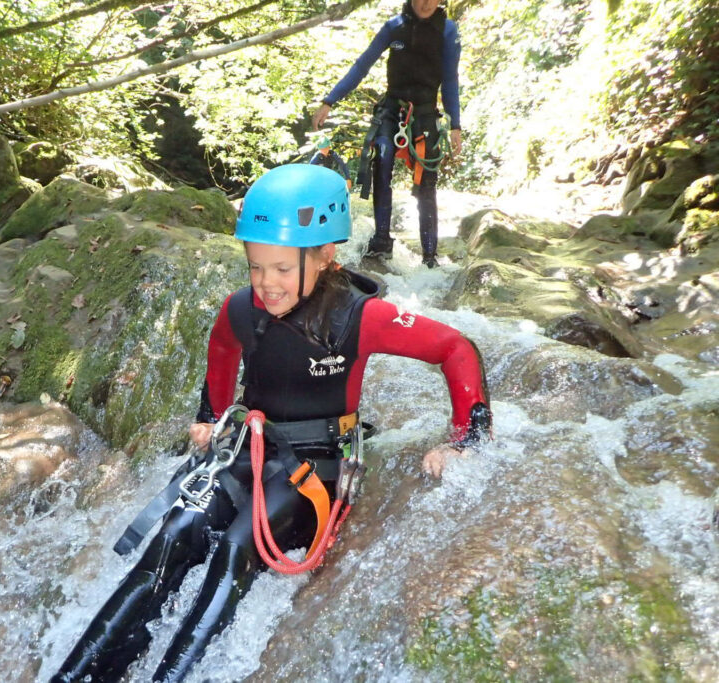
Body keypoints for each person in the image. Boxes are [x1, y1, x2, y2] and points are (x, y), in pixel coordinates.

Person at [51, 164, 491, 683]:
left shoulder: (360, 317)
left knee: (238, 547)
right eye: (257, 267)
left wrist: (467, 438)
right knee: (173, 533)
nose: (267, 283)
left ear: (326, 256)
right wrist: (210, 415)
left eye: (282, 268)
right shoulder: (241, 308)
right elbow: (221, 348)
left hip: (316, 468)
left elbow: (454, 347)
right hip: (246, 451)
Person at [312, 0, 463, 268]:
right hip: (392, 108)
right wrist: (329, 100)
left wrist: (455, 126)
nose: (426, 3)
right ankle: (381, 241)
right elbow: (362, 66)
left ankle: (429, 256)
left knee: (427, 182)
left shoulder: (448, 31)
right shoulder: (394, 27)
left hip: (426, 112)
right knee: (381, 160)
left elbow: (450, 80)